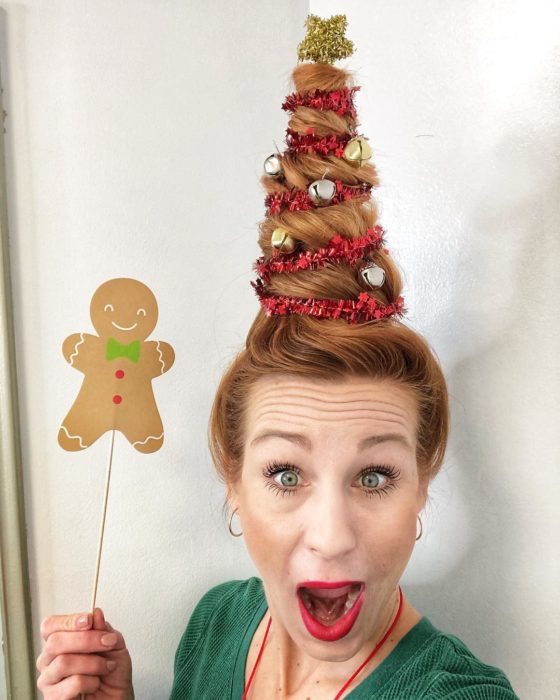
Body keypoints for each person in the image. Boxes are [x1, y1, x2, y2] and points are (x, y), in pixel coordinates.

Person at [36, 15, 519, 700]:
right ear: (233, 483)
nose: (328, 537)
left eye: (376, 475)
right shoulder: (215, 624)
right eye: (286, 472)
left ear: (424, 481)